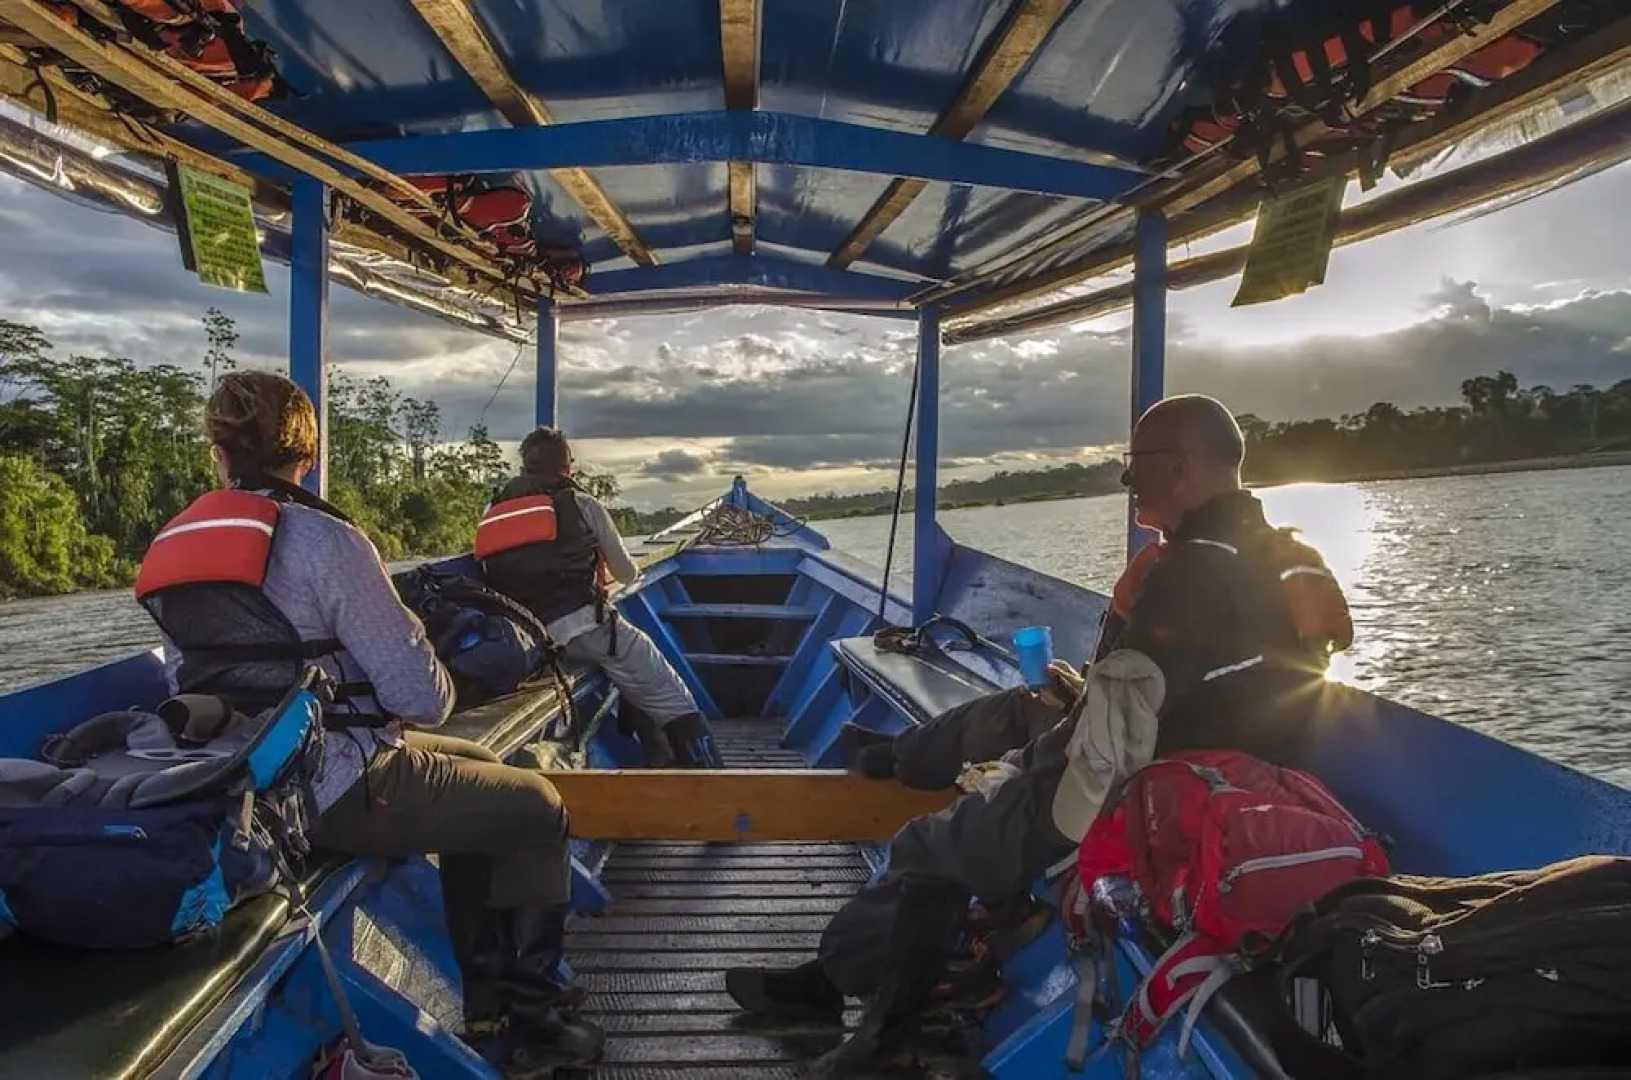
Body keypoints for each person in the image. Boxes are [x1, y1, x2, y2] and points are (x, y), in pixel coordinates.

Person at [725, 394, 1354, 1075]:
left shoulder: (1187, 573)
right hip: (1223, 764)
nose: (1125, 482)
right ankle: (890, 791)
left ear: (1177, 468)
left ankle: (880, 1033)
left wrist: (1021, 775)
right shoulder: (1286, 555)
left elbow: (1109, 748)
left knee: (931, 845)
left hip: (1154, 787)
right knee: (1013, 714)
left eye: (1133, 465)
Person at [134, 372, 602, 1080]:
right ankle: (535, 1019)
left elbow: (188, 680)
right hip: (333, 788)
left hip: (245, 784)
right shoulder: (326, 541)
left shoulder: (174, 544)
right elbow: (423, 696)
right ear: (306, 451)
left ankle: (488, 1001)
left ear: (219, 453)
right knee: (536, 806)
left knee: (489, 780)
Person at [477, 427, 722, 768]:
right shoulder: (579, 503)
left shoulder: (495, 508)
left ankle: (652, 750)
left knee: (623, 667)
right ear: (567, 467)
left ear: (523, 468)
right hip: (583, 631)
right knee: (671, 695)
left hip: (524, 640)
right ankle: (711, 777)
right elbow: (626, 573)